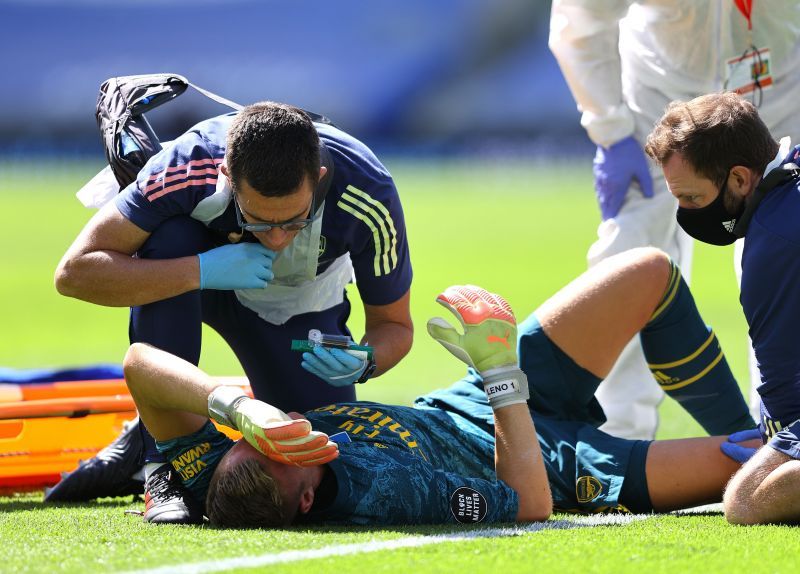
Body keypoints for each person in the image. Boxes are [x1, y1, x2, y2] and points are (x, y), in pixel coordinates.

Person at [116, 247, 758, 527]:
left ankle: (767, 421)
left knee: (648, 272)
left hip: (464, 402)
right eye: (292, 450)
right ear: (308, 501)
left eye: (263, 437)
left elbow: (142, 363)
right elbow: (528, 505)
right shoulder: (385, 492)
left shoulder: (217, 481)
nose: (290, 429)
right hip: (552, 461)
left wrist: (237, 408)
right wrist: (504, 376)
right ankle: (771, 435)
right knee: (762, 468)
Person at [48, 101, 413, 523]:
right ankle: (159, 466)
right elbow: (74, 272)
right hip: (190, 283)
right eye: (257, 219)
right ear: (224, 174)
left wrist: (365, 362)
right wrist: (198, 270)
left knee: (308, 463)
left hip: (294, 307)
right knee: (170, 235)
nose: (276, 239)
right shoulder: (188, 163)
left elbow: (394, 326)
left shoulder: (367, 191)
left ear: (321, 179)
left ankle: (155, 425)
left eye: (295, 220)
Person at [548, 0, 800, 440]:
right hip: (662, 96)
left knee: (784, 255)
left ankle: (785, 424)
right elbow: (580, 16)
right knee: (629, 248)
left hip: (780, 89)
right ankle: (617, 433)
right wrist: (609, 130)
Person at [644, 91, 800, 525]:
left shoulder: (773, 242)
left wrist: (774, 442)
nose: (686, 213)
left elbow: (788, 395)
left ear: (738, 179)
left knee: (745, 500)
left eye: (692, 198)